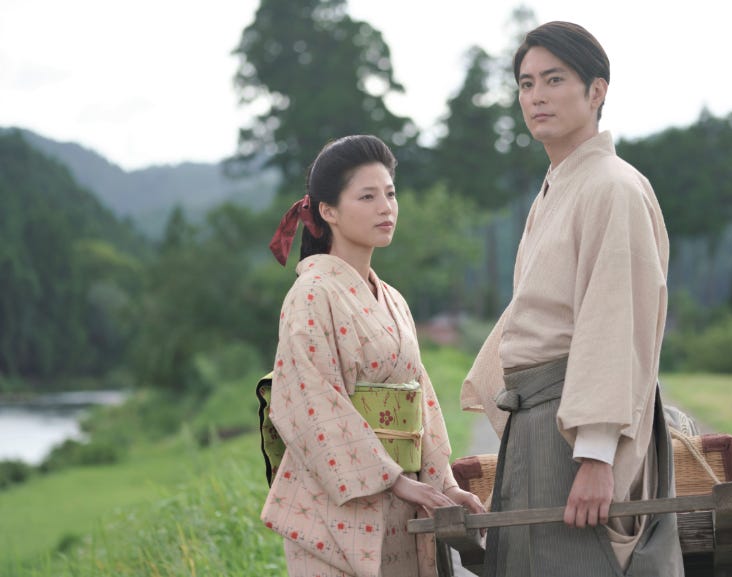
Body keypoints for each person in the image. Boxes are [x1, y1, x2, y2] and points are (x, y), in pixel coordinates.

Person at [461, 21, 684, 576]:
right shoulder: (559, 184)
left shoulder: (612, 185)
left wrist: (597, 456)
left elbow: (614, 323)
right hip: (540, 425)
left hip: (575, 432)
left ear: (596, 91)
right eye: (525, 83)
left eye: (554, 79)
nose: (535, 96)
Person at [261, 134, 484, 577]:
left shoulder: (394, 300)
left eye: (390, 193)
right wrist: (394, 478)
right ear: (328, 211)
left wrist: (443, 485)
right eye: (367, 196)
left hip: (402, 503)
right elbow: (310, 403)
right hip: (339, 504)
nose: (386, 207)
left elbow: (422, 401)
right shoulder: (310, 295)